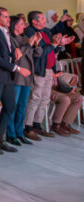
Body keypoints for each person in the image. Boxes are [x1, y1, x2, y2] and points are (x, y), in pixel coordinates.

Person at [0, 7, 31, 154]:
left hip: (6, 76)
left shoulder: (5, 32)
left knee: (10, 106)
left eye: (8, 17)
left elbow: (5, 52)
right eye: (5, 17)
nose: (9, 19)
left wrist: (13, 52)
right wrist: (17, 68)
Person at [23, 10, 74, 139]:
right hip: (39, 69)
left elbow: (51, 49)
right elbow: (39, 52)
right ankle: (27, 127)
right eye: (41, 18)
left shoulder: (45, 31)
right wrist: (54, 44)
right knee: (35, 98)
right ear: (34, 21)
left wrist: (59, 45)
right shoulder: (30, 32)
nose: (44, 20)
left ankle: (37, 125)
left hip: (49, 69)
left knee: (45, 99)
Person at [6, 16, 41, 145]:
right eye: (21, 24)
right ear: (14, 25)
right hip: (16, 77)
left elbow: (38, 54)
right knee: (12, 107)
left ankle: (19, 132)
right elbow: (17, 56)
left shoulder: (25, 38)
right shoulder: (10, 39)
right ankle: (10, 134)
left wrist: (36, 43)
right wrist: (28, 45)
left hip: (27, 77)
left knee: (22, 107)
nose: (24, 26)